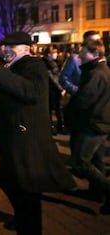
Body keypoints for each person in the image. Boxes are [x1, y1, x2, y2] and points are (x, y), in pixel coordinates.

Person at [0, 32, 78, 235]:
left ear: (27, 48)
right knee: (13, 186)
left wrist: (0, 73)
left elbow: (31, 91)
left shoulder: (33, 65)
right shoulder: (12, 67)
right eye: (5, 47)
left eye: (12, 47)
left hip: (27, 143)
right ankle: (24, 222)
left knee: (27, 193)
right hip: (14, 140)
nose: (6, 50)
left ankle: (28, 227)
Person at [64, 38, 110, 215]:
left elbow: (83, 101)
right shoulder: (102, 70)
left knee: (80, 162)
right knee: (96, 161)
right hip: (100, 122)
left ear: (95, 54)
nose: (80, 56)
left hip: (93, 124)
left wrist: (68, 112)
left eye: (83, 53)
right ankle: (96, 192)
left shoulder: (96, 73)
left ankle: (106, 190)